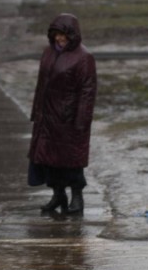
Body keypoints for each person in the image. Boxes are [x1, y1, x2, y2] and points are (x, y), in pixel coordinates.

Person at [27, 13, 96, 215]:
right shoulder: (48, 53)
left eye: (63, 35)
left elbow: (87, 91)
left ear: (72, 35)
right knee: (49, 160)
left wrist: (81, 120)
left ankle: (77, 198)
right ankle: (58, 195)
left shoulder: (84, 57)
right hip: (48, 117)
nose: (59, 38)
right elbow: (41, 85)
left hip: (69, 119)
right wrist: (36, 113)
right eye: (56, 34)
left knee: (72, 161)